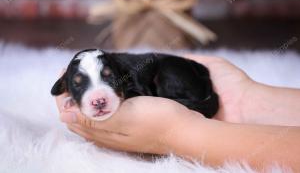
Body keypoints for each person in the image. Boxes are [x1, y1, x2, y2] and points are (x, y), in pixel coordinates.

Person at [55, 55, 300, 172]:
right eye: (79, 84)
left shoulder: (131, 74)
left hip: (184, 79)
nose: (97, 98)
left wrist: (178, 133)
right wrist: (247, 98)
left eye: (108, 80)